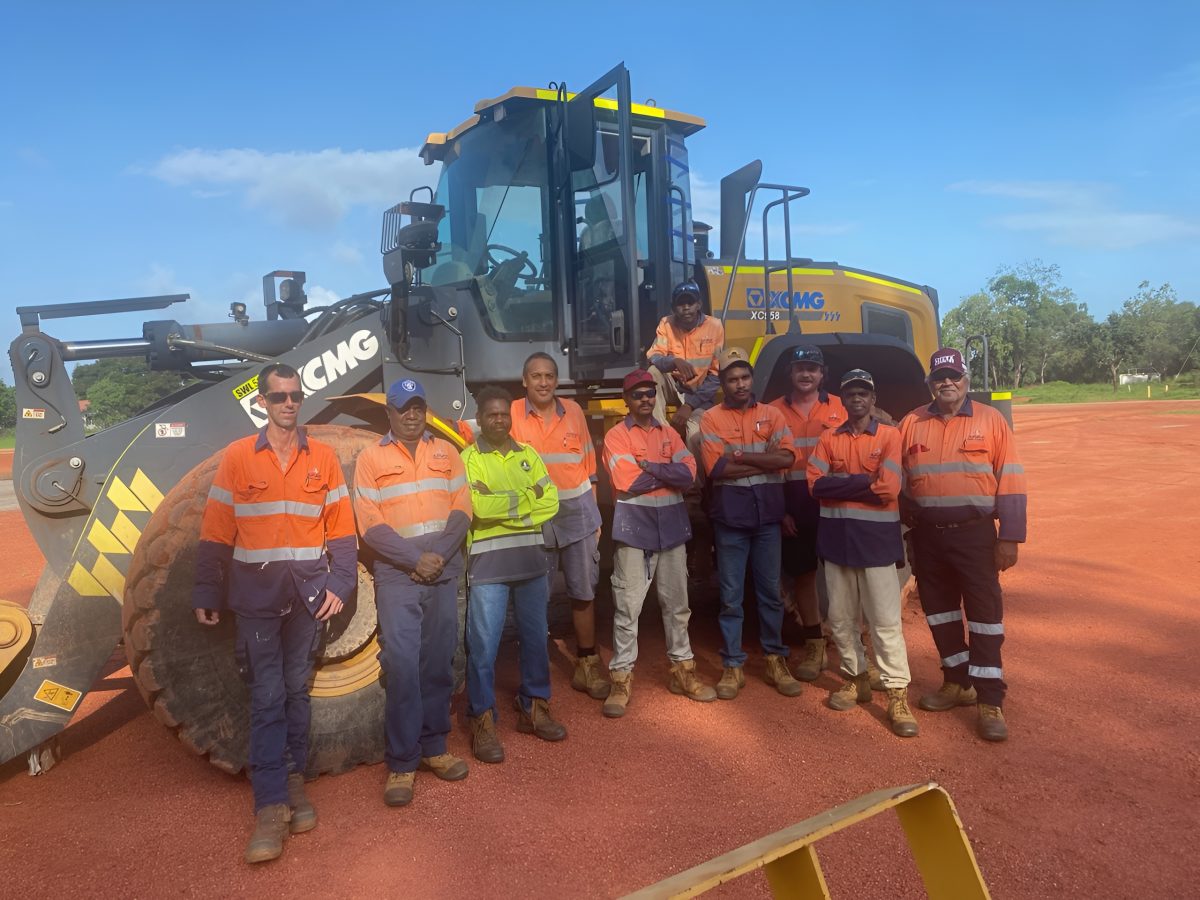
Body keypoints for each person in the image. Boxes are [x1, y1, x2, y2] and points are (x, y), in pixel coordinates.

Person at [193, 362, 356, 864]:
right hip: (257, 599)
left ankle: (293, 782)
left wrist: (343, 581)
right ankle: (269, 804)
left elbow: (342, 528)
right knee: (266, 697)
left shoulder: (322, 457)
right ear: (261, 401)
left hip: (308, 597)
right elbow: (217, 529)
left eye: (294, 396)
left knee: (295, 693)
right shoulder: (238, 458)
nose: (288, 403)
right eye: (278, 396)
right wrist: (206, 589)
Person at [352, 378, 472, 807]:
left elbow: (462, 507)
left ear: (426, 410)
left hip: (440, 567)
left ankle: (434, 747)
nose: (412, 415)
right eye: (403, 408)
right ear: (390, 413)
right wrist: (413, 559)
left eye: (418, 407)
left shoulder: (446, 452)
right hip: (399, 574)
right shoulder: (370, 458)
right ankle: (402, 762)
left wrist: (436, 555)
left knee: (438, 660)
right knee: (402, 663)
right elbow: (369, 521)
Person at [899, 348, 1027, 742]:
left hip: (974, 534)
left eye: (953, 376)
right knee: (939, 613)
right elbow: (894, 478)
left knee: (985, 615)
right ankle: (957, 682)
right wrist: (906, 521)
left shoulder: (991, 421)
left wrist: (1009, 537)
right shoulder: (911, 423)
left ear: (966, 380)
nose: (947, 383)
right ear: (930, 384)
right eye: (939, 378)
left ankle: (990, 698)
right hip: (928, 535)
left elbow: (1012, 479)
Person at [600, 369, 718, 717]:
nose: (645, 399)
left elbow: (689, 474)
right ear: (627, 400)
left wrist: (650, 465)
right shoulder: (615, 436)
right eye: (637, 394)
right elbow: (626, 481)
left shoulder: (669, 432)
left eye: (650, 393)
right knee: (627, 608)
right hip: (634, 531)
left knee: (678, 606)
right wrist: (666, 472)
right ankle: (621, 678)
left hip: (671, 529)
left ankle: (683, 672)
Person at [807, 370, 918, 737]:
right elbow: (814, 484)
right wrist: (861, 482)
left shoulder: (889, 436)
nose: (857, 399)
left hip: (875, 543)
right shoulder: (827, 438)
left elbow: (887, 488)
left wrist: (839, 483)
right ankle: (855, 678)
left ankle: (897, 692)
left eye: (863, 393)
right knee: (839, 619)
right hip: (837, 541)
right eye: (851, 393)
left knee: (885, 622)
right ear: (843, 399)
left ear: (873, 399)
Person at [461, 385, 565, 762]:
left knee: (537, 639)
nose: (499, 420)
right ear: (480, 417)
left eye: (504, 413)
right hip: (488, 567)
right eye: (491, 414)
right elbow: (478, 507)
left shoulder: (529, 454)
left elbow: (550, 500)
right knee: (484, 648)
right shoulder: (468, 458)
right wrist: (525, 502)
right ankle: (482, 718)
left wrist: (506, 506)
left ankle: (534, 706)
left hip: (532, 565)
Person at [699, 347, 802, 699]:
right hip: (731, 517)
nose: (739, 384)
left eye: (744, 377)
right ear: (723, 382)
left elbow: (787, 457)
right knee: (730, 596)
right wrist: (765, 460)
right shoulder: (711, 419)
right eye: (732, 378)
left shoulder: (772, 414)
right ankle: (733, 665)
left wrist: (741, 456)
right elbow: (716, 468)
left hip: (767, 518)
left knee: (770, 593)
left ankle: (775, 658)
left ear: (751, 379)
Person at [509, 352, 609, 701]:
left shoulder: (574, 412)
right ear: (525, 381)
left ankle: (587, 663)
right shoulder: (511, 415)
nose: (543, 382)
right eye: (535, 376)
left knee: (583, 591)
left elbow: (588, 464)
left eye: (549, 375)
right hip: (537, 516)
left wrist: (594, 515)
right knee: (536, 595)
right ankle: (535, 670)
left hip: (578, 512)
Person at [767, 344, 847, 681]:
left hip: (833, 501)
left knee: (844, 575)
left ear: (822, 373)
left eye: (812, 368)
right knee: (803, 575)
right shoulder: (771, 411)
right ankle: (815, 646)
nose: (805, 374)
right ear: (790, 373)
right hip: (793, 502)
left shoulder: (842, 408)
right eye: (799, 367)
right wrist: (782, 510)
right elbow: (771, 467)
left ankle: (848, 648)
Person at [647, 280, 724, 462]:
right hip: (674, 387)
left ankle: (694, 488)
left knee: (695, 437)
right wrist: (674, 361)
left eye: (691, 302)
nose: (686, 308)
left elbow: (715, 375)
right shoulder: (666, 324)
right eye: (681, 304)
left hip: (699, 397)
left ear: (699, 304)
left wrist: (689, 405)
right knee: (652, 373)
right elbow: (654, 356)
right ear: (674, 308)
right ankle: (661, 432)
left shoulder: (714, 326)